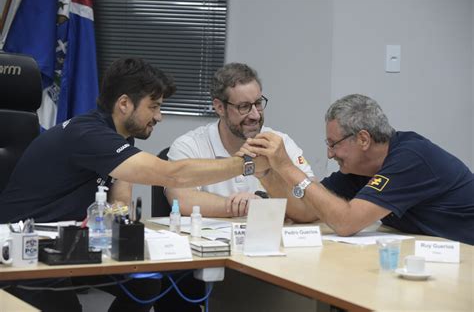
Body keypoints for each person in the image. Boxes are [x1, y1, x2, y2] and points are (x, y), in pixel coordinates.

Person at [0, 57, 268, 311]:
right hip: (24, 250)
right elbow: (171, 174)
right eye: (154, 106)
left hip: (69, 244)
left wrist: (117, 222)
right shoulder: (89, 134)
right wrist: (245, 163)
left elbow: (120, 202)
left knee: (146, 282)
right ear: (125, 104)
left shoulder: (120, 138)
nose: (159, 116)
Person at [243, 94, 474, 245]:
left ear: (363, 139)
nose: (329, 154)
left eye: (333, 144)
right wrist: (267, 173)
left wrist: (287, 167)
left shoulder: (411, 158)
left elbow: (346, 223)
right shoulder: (358, 168)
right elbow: (306, 211)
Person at [165, 62, 317, 220]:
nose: (255, 115)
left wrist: (262, 200)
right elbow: (183, 200)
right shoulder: (189, 145)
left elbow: (313, 201)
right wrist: (244, 207)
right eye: (244, 107)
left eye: (258, 104)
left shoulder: (280, 142)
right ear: (219, 107)